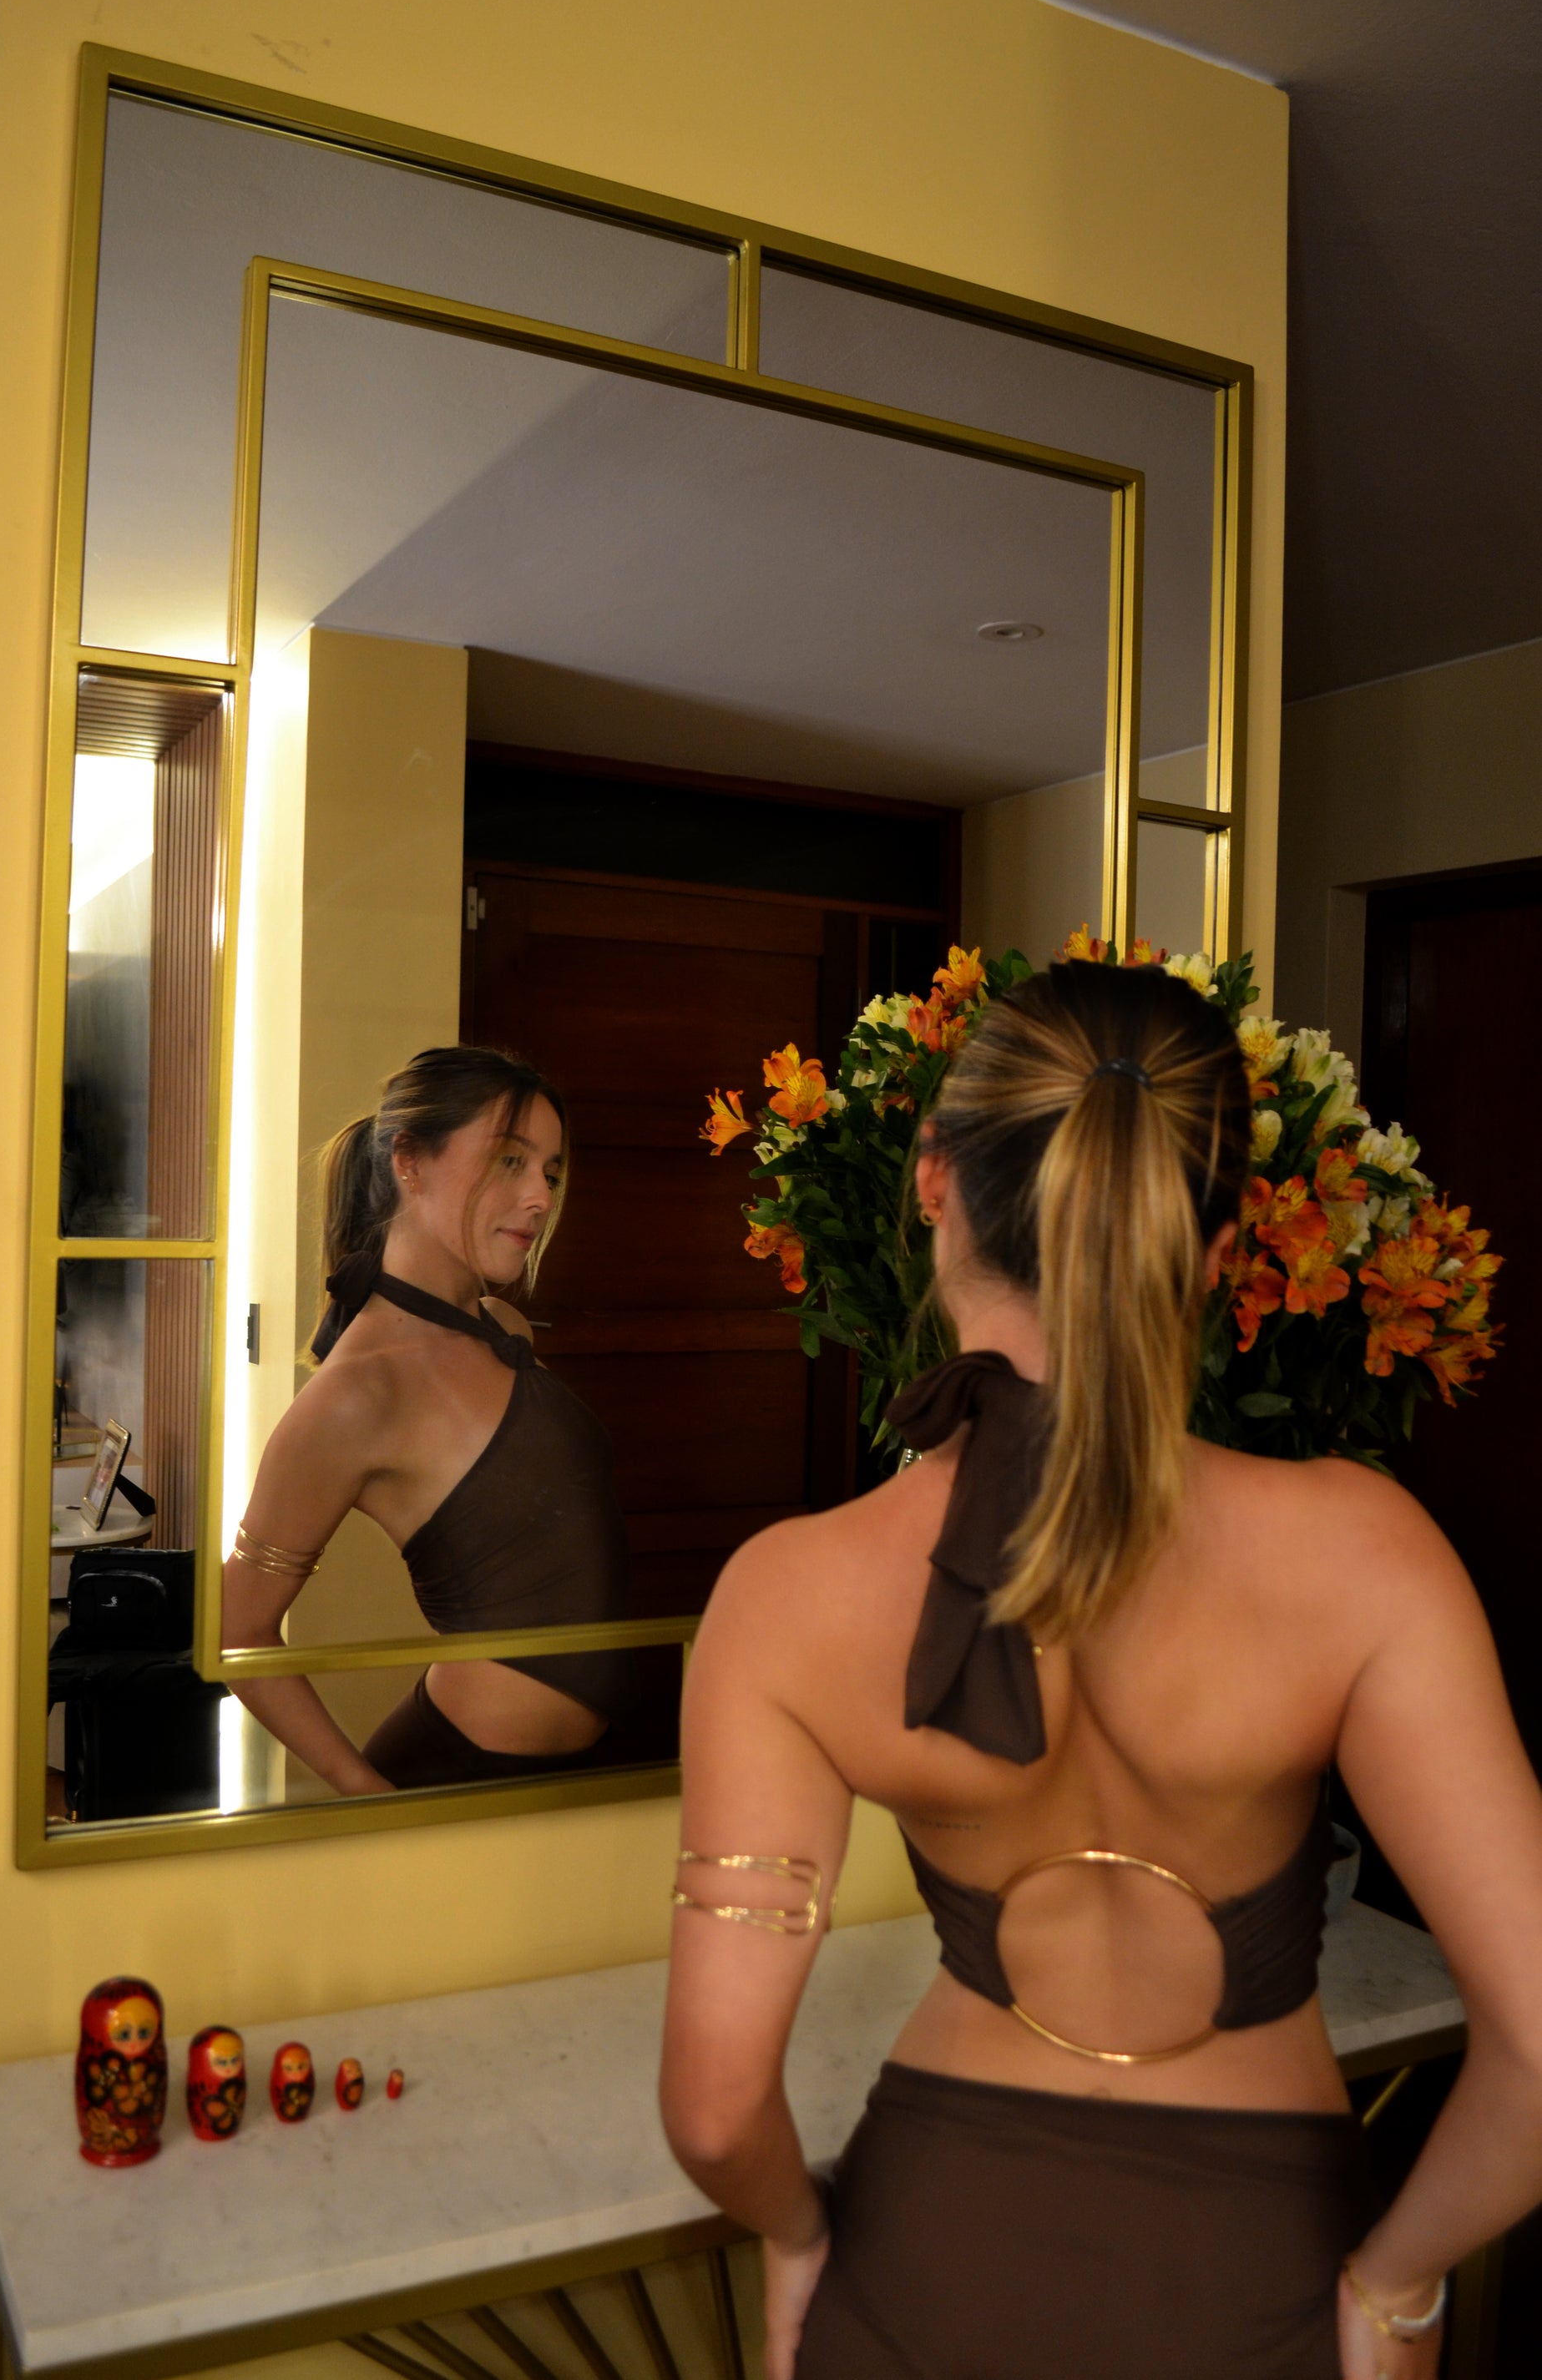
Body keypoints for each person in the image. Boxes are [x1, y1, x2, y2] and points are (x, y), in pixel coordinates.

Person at [660, 960, 1542, 2379]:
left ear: (933, 1180)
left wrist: (796, 2237)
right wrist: (1399, 2281)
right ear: (1216, 1249)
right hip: (1254, 2270)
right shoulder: (1367, 1555)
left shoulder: (785, 1593)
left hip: (924, 2267)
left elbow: (712, 2108)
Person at [224, 1044, 633, 1792]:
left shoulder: (506, 1327)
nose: (540, 1197)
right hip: (459, 1776)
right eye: (510, 1160)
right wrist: (370, 1799)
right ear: (409, 1161)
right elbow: (235, 1628)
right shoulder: (355, 1394)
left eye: (549, 1171)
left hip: (598, 1771)